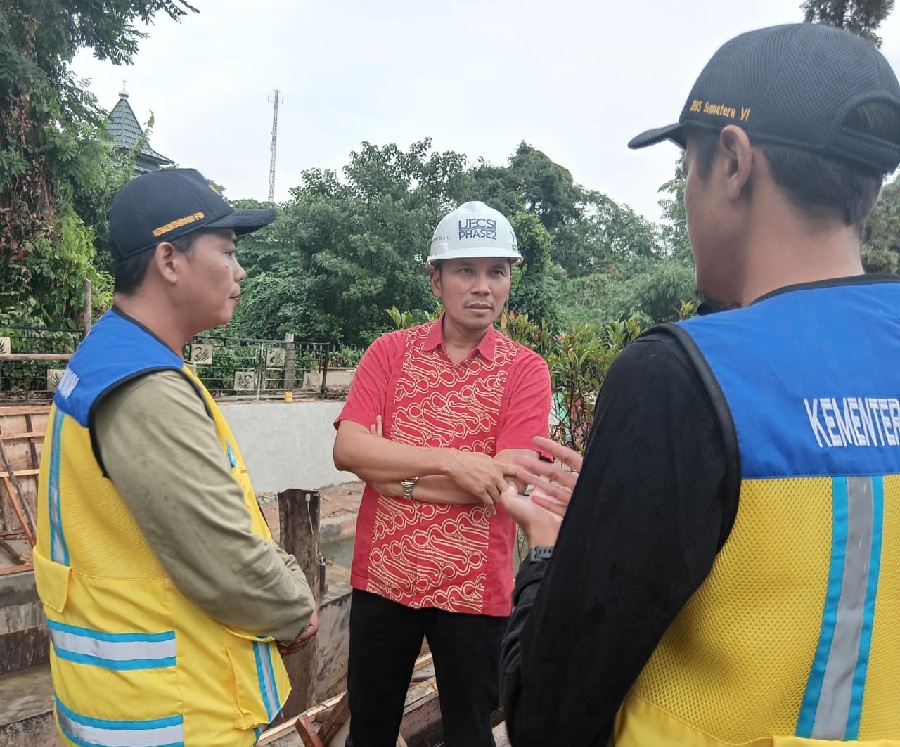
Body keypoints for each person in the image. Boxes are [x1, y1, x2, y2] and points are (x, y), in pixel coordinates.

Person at [498, 22, 900, 746]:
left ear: (735, 164)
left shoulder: (680, 375)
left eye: (688, 167)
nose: (687, 195)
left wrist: (555, 548)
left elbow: (546, 714)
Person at [34, 168, 318, 747]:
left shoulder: (110, 356)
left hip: (128, 706)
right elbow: (220, 553)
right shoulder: (145, 388)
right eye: (229, 252)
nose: (240, 273)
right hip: (172, 714)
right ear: (169, 261)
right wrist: (293, 608)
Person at [332, 201, 552, 747]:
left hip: (474, 593)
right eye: (465, 270)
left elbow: (505, 483)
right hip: (384, 579)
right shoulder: (389, 353)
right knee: (371, 731)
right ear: (436, 279)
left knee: (471, 734)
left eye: (496, 272)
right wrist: (452, 461)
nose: (483, 287)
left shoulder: (526, 370)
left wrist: (395, 478)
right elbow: (348, 447)